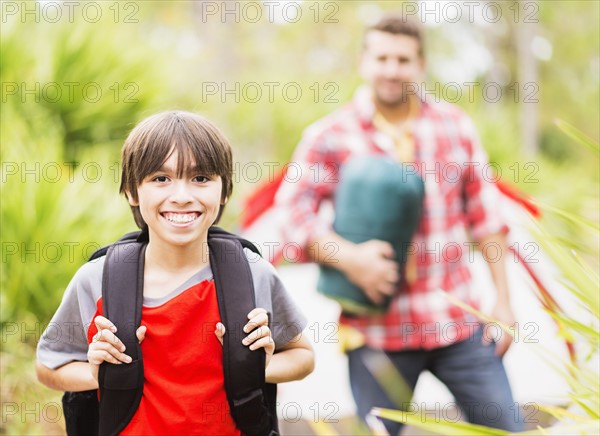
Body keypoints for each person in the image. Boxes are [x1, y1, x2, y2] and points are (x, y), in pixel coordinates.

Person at [274, 15, 521, 434]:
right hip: (376, 334)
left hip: (458, 322)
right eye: (382, 57)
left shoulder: (454, 126)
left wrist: (503, 302)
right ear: (363, 62)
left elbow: (487, 217)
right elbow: (289, 219)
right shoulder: (329, 135)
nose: (392, 69)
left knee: (510, 429)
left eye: (403, 59)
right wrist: (349, 259)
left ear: (420, 65)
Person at [36, 111, 314, 434]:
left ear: (224, 191)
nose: (181, 196)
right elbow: (48, 366)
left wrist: (259, 365)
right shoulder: (98, 281)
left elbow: (303, 356)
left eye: (200, 178)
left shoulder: (252, 276)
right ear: (132, 191)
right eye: (160, 178)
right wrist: (96, 374)